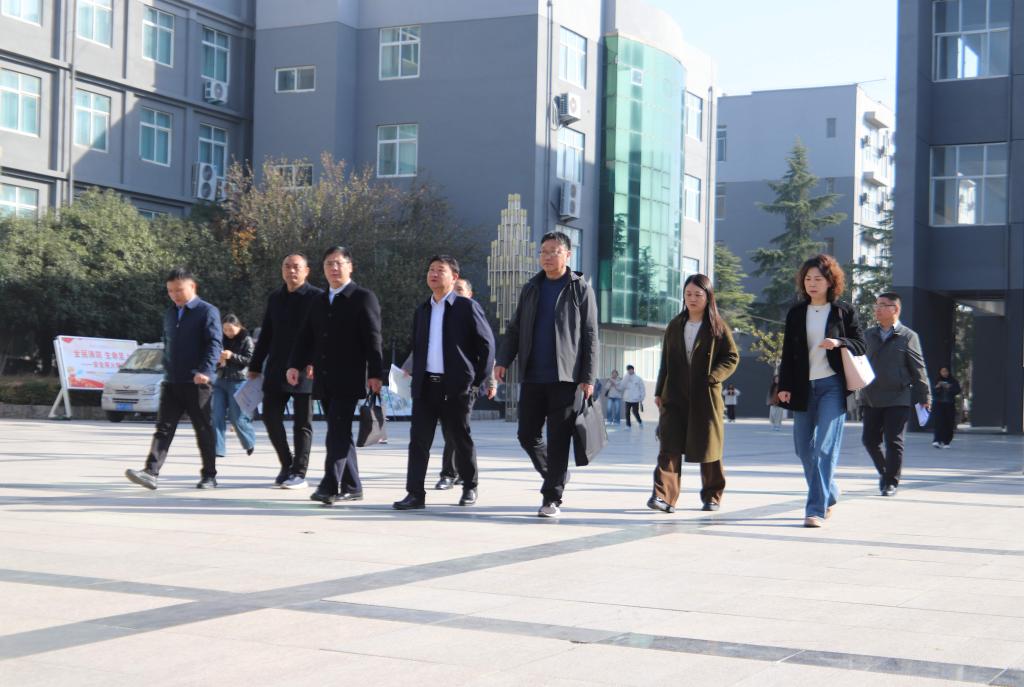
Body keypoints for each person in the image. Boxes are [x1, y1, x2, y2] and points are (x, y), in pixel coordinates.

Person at [494, 231, 598, 518]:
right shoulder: (532, 287)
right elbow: (515, 328)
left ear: (568, 255)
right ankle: (556, 474)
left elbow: (591, 335)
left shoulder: (580, 288)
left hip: (565, 379)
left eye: (554, 251)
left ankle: (552, 497)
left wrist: (588, 377)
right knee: (527, 435)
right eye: (543, 251)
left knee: (559, 439)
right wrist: (503, 359)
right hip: (532, 376)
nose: (547, 256)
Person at [394, 259, 495, 510]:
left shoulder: (466, 307)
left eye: (441, 270)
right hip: (426, 386)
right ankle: (415, 494)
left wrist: (477, 382)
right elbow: (418, 347)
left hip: (457, 387)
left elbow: (487, 345)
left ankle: (470, 486)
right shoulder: (423, 310)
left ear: (454, 276)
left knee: (460, 438)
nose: (434, 274)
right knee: (418, 441)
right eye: (431, 270)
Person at [288, 246, 384, 506]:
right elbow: (306, 336)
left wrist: (376, 373)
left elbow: (373, 339)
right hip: (324, 378)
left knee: (336, 433)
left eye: (339, 263)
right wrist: (295, 365)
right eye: (329, 263)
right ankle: (353, 486)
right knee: (339, 431)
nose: (333, 268)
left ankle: (329, 485)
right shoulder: (319, 301)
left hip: (350, 377)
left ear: (350, 266)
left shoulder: (363, 298)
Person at [776, 254, 866, 528]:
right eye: (808, 279)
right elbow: (788, 353)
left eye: (818, 278)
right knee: (803, 449)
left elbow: (861, 344)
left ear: (830, 281)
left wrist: (839, 342)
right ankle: (830, 492)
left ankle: (815, 509)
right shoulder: (796, 313)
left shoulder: (843, 311)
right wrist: (784, 386)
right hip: (802, 387)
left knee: (824, 448)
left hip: (832, 387)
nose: (812, 283)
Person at [648, 274, 739, 513]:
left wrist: (713, 377)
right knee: (669, 445)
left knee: (709, 446)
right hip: (674, 395)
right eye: (688, 294)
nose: (692, 299)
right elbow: (665, 362)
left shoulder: (717, 326)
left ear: (708, 297)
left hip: (705, 397)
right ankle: (663, 497)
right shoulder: (675, 325)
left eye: (698, 294)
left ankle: (712, 495)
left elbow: (731, 357)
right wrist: (659, 391)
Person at [125, 268, 222, 490]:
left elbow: (214, 343)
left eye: (179, 290)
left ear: (192, 287)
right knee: (163, 428)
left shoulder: (207, 311)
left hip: (197, 382)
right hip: (172, 381)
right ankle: (151, 472)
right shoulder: (170, 313)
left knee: (203, 429)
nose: (174, 295)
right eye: (170, 291)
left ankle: (209, 475)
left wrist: (205, 371)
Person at [248, 253, 324, 488]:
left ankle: (299, 472)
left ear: (306, 271)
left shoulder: (317, 297)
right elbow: (266, 334)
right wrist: (255, 365)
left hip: (305, 369)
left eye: (296, 267)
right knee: (270, 417)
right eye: (287, 266)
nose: (291, 271)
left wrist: (314, 362)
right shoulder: (275, 298)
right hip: (276, 367)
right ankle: (287, 463)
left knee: (302, 423)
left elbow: (322, 334)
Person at [860, 293, 931, 496]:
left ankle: (891, 482)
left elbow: (918, 368)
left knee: (893, 441)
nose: (878, 309)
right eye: (876, 305)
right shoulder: (867, 335)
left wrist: (925, 397)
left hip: (898, 397)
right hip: (871, 396)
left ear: (895, 309)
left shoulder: (908, 336)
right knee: (869, 440)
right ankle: (885, 473)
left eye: (883, 305)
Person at [434, 277, 497, 490]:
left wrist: (488, 382)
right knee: (451, 430)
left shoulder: (472, 312)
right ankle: (461, 471)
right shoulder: (442, 312)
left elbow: (487, 351)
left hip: (466, 384)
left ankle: (450, 474)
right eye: (454, 289)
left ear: (470, 294)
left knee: (457, 428)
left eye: (460, 289)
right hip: (442, 383)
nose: (456, 293)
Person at [212, 314, 256, 458]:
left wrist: (232, 356)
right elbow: (213, 358)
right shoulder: (220, 340)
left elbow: (250, 360)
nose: (228, 333)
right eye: (225, 330)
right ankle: (218, 449)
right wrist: (218, 362)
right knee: (216, 415)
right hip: (220, 381)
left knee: (236, 418)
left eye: (231, 329)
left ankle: (249, 441)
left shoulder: (246, 339)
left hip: (238, 382)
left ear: (238, 326)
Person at [932, 367, 961, 448]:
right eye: (942, 371)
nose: (944, 373)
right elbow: (932, 392)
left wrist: (949, 387)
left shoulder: (953, 381)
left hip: (949, 405)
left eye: (946, 371)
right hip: (939, 405)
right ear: (940, 372)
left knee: (949, 423)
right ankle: (937, 440)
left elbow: (957, 390)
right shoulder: (937, 380)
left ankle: (946, 442)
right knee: (939, 422)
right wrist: (937, 387)